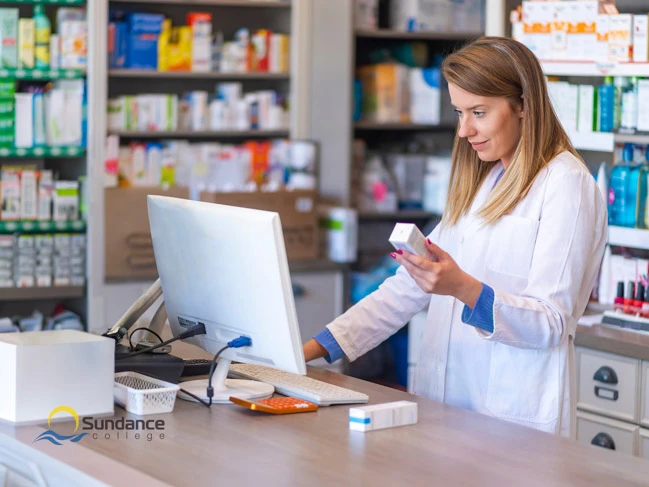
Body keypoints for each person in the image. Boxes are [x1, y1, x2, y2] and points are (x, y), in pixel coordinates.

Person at [303, 37, 608, 437]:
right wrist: (307, 352)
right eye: (460, 113)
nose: (464, 130)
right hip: (447, 410)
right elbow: (406, 289)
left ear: (523, 106)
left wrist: (462, 288)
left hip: (512, 424)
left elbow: (549, 322)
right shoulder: (486, 179)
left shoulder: (567, 184)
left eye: (479, 112)